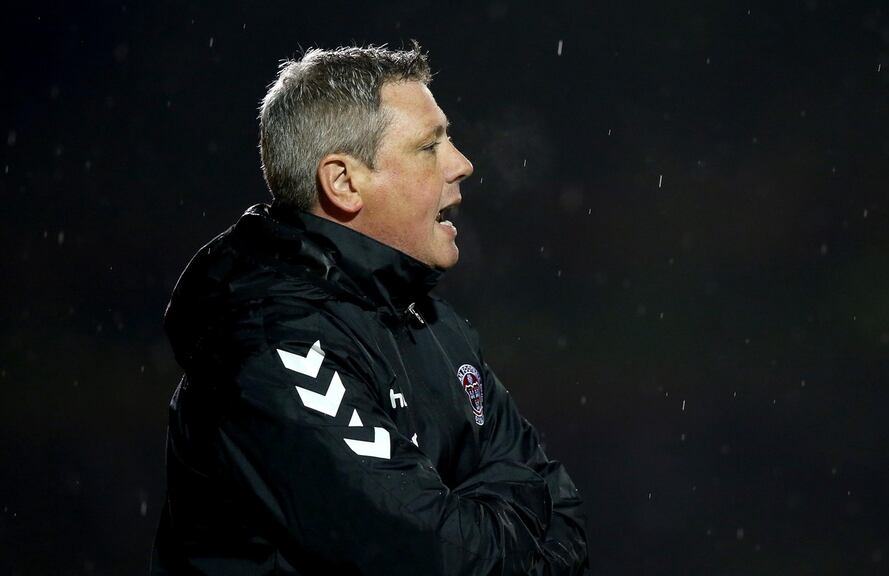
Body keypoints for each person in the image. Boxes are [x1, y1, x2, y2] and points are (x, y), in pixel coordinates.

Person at [151, 44, 588, 575]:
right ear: (344, 182)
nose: (463, 164)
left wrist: (486, 524)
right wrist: (508, 525)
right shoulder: (276, 348)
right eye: (430, 146)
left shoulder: (433, 324)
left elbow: (559, 506)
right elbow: (436, 558)